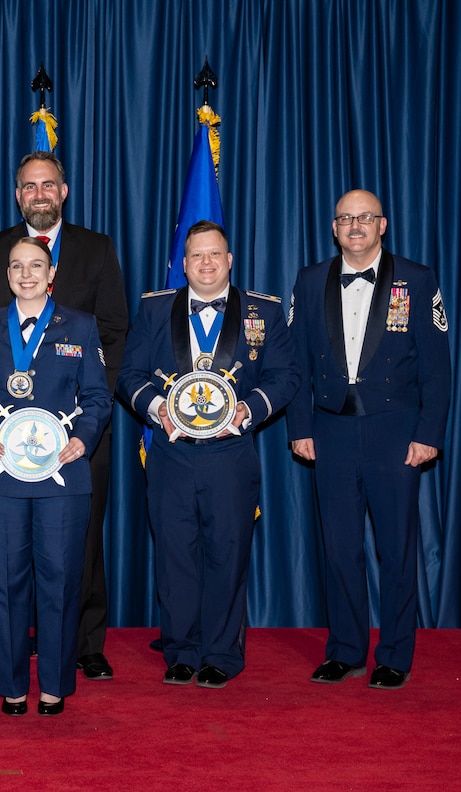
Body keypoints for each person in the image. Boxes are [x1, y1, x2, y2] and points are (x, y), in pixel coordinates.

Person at [0, 151, 128, 681]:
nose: (39, 193)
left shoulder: (96, 248)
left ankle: (84, 644)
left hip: (75, 435)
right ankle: (6, 648)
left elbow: (113, 333)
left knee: (78, 544)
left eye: (48, 185)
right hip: (3, 442)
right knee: (7, 555)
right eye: (28, 186)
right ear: (18, 194)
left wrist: (86, 422)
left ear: (63, 191)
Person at [117, 220, 298, 688]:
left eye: (215, 254)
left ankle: (221, 653)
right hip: (172, 455)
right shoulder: (155, 311)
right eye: (196, 255)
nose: (206, 263)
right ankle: (181, 650)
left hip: (232, 454)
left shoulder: (264, 312)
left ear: (230, 259)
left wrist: (247, 409)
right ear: (183, 262)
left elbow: (285, 377)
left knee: (228, 553)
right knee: (175, 555)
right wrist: (159, 410)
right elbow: (128, 375)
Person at [288, 190, 451, 690]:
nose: (355, 225)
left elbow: (438, 368)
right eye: (345, 218)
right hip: (331, 431)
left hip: (395, 434)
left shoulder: (418, 280)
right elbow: (295, 365)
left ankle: (396, 654)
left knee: (397, 548)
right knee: (339, 548)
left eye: (365, 217)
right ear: (334, 228)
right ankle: (346, 650)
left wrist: (428, 434)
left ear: (383, 225)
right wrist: (300, 428)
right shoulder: (311, 280)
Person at [0, 237, 112, 715]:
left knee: (61, 579)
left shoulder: (82, 327)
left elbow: (98, 399)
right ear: (7, 275)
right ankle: (11, 684)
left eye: (36, 266)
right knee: (4, 581)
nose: (27, 274)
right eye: (17, 267)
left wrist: (84, 439)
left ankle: (54, 683)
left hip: (61, 476)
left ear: (52, 272)